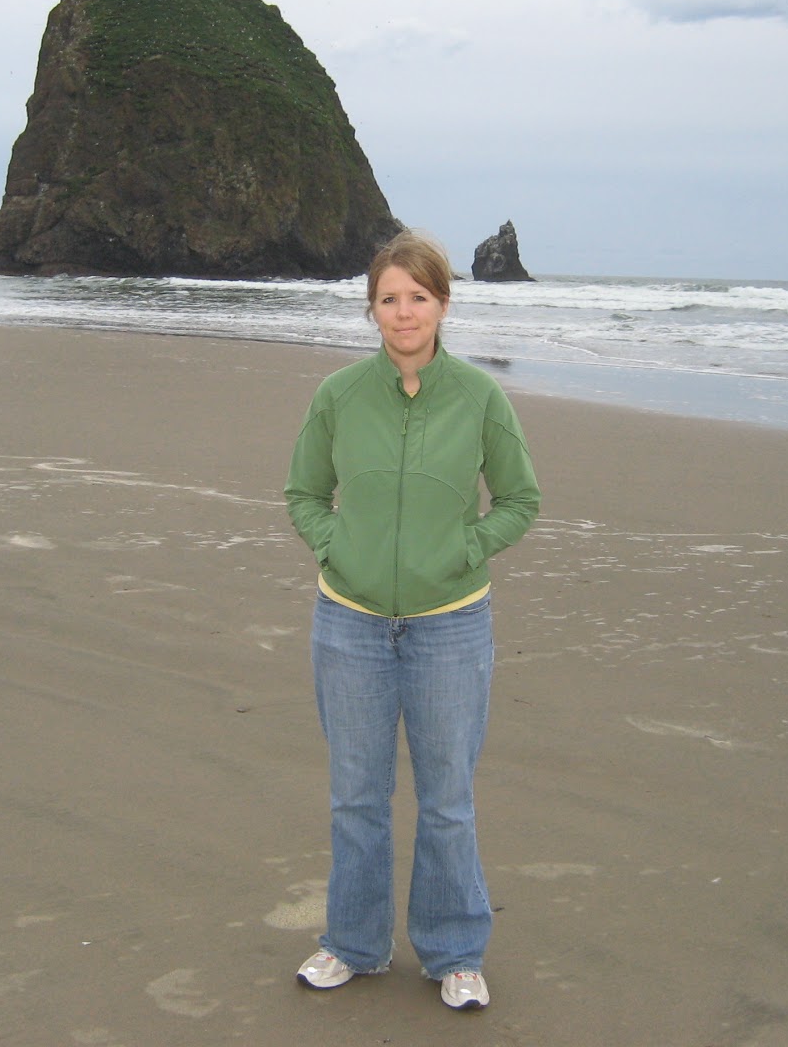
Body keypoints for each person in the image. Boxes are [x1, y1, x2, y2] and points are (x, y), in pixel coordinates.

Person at [284, 230, 541, 1011]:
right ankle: (353, 944)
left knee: (447, 800)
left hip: (451, 627)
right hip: (350, 624)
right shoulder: (338, 395)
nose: (404, 312)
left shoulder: (479, 397)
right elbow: (304, 494)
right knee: (356, 797)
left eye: (418, 297)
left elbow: (520, 499)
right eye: (389, 298)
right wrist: (338, 547)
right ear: (372, 308)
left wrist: (465, 549)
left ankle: (455, 953)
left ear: (443, 304)